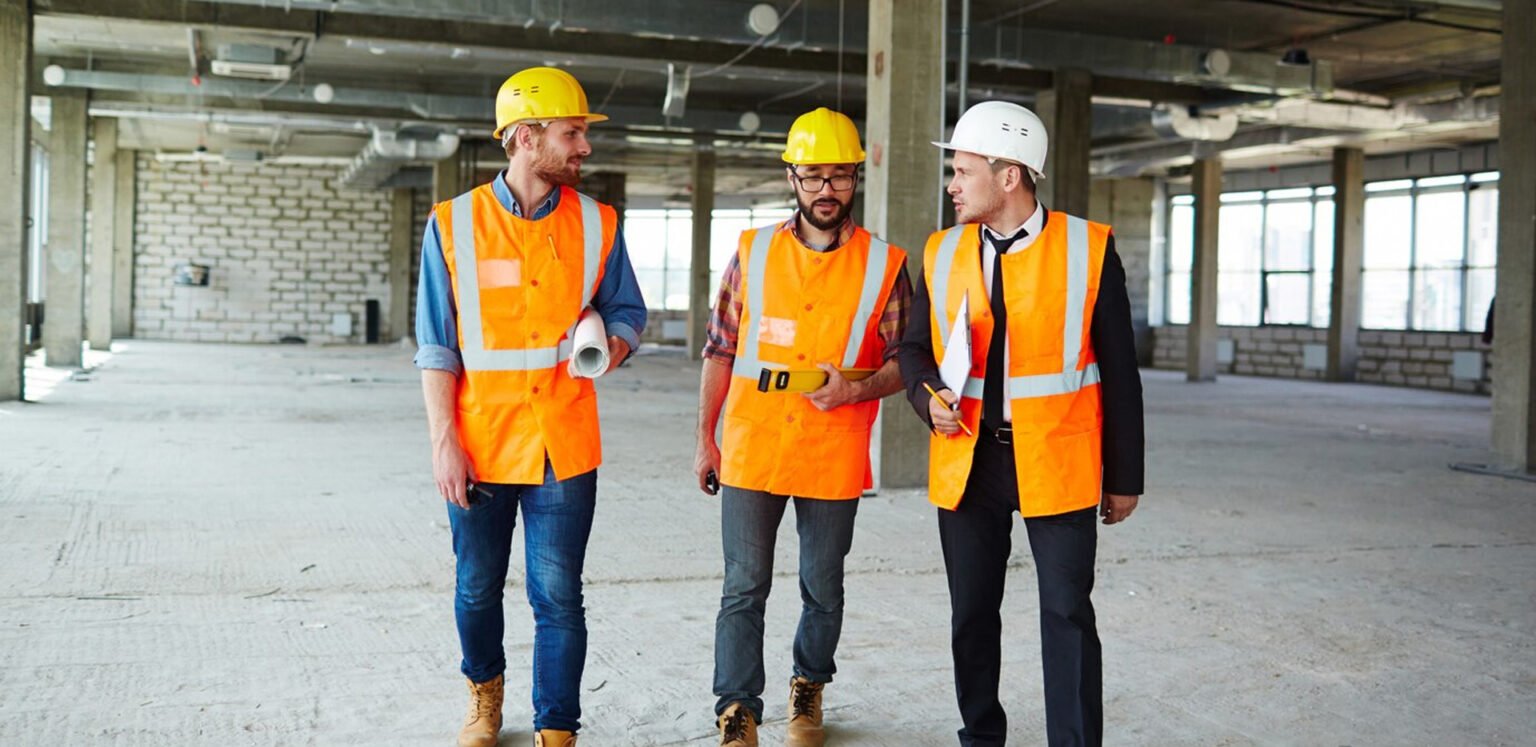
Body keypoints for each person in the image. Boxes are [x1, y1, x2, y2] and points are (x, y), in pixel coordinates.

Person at [898, 101, 1145, 747]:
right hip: (968, 460)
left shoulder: (1089, 250)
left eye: (962, 170)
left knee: (1067, 614)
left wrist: (1124, 477)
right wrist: (929, 399)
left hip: (1057, 460)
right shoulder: (940, 250)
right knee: (972, 615)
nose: (951, 185)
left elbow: (1120, 371)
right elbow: (911, 349)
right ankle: (981, 736)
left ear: (1009, 176)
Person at [414, 66, 647, 747]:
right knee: (478, 589)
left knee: (558, 597)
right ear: (524, 137)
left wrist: (611, 343)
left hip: (563, 445)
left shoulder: (599, 223)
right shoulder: (453, 225)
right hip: (481, 443)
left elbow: (629, 310)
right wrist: (442, 441)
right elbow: (436, 345)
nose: (585, 148)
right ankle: (484, 696)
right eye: (572, 133)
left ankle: (556, 727)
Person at [694, 107, 912, 747]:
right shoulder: (752, 252)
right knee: (744, 585)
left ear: (855, 180)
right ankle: (737, 708)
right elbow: (720, 351)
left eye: (839, 176)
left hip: (832, 449)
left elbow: (906, 360)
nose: (826, 190)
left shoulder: (885, 264)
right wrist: (705, 439)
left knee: (823, 588)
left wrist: (860, 387)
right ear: (791, 176)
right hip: (754, 444)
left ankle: (809, 685)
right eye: (813, 175)